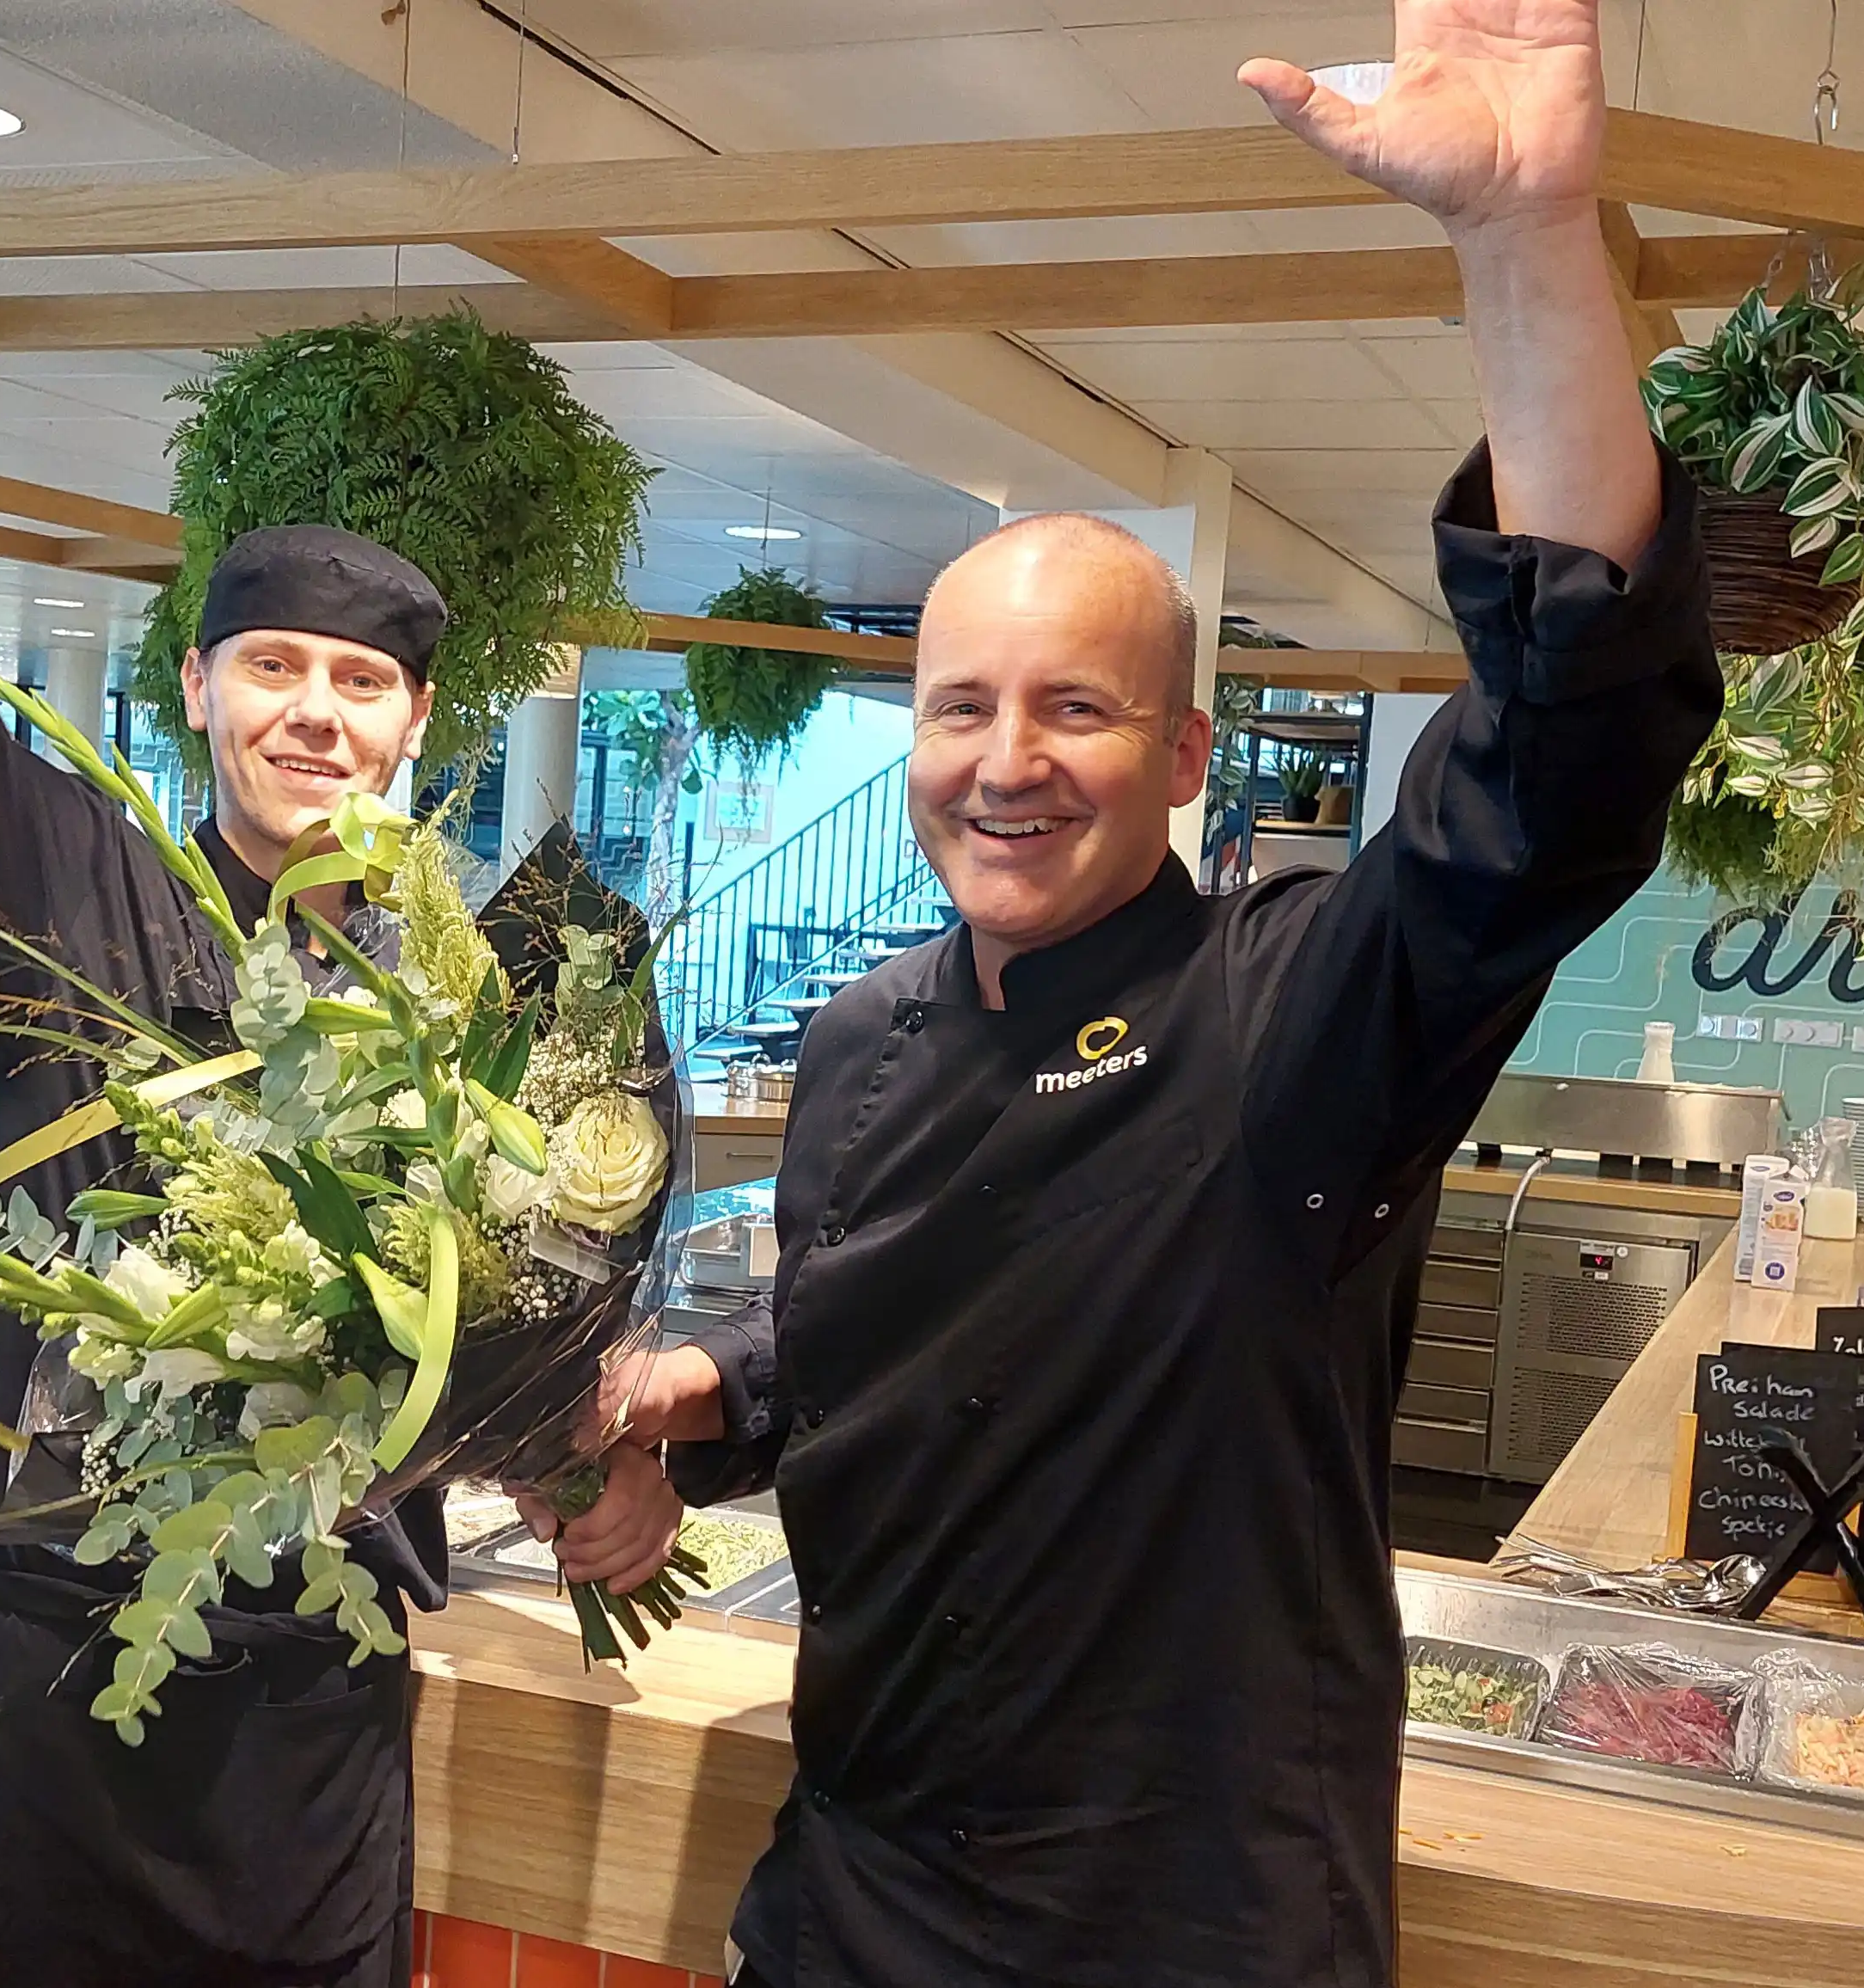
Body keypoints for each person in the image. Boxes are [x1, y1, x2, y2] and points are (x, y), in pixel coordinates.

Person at [558, 6, 1724, 1982]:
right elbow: (876, 1339)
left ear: (1185, 756)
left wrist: (1522, 238)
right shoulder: (860, 1041)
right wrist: (700, 1396)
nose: (1004, 758)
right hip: (853, 1892)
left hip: (1186, 1922)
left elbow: (1558, 764)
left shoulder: (1300, 1019)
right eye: (958, 706)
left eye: (1075, 708)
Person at [0, 4, 683, 1983]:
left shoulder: (485, 987)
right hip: (31, 1675)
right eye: (271, 667)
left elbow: (522, 1308)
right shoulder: (56, 872)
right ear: (195, 687)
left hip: (316, 1691)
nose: (314, 715)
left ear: (419, 724)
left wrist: (597, 1446)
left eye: (360, 686)